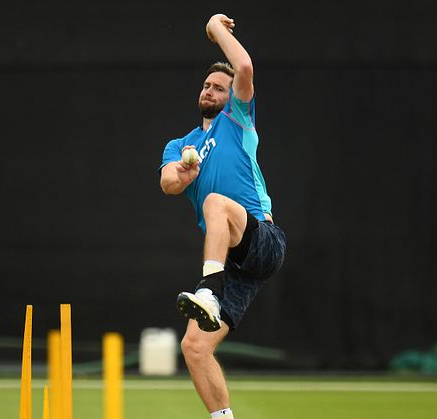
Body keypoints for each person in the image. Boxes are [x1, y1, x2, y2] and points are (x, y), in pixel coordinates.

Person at [159, 14, 287, 419]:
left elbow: (244, 67)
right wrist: (182, 172)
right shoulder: (182, 145)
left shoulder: (238, 119)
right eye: (207, 85)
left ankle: (208, 291)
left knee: (215, 201)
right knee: (194, 348)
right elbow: (167, 183)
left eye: (220, 87)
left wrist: (216, 30)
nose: (211, 90)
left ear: (232, 97)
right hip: (235, 262)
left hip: (263, 240)